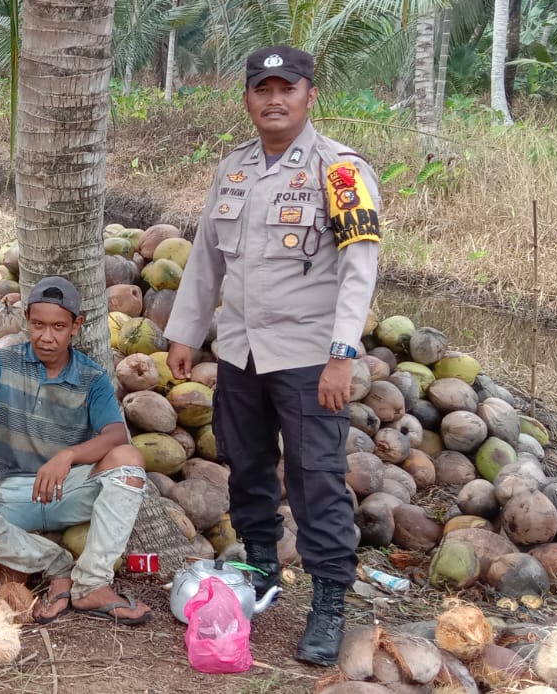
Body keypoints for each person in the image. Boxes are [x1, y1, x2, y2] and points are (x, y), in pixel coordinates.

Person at [163, 46, 381, 666]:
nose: (274, 99)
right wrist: (186, 332)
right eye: (263, 89)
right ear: (248, 99)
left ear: (311, 95)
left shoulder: (339, 171)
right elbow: (206, 256)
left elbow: (359, 270)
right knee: (247, 464)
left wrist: (343, 354)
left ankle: (331, 601)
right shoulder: (233, 170)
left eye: (288, 88)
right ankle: (262, 568)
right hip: (240, 351)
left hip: (310, 355)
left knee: (315, 479)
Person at [0, 277, 151, 624]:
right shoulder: (3, 364)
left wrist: (67, 457)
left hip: (70, 490)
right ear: (26, 321)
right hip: (16, 494)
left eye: (58, 327)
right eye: (38, 325)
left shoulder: (91, 378)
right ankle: (57, 565)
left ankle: (92, 584)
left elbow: (115, 436)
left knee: (129, 459)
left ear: (76, 327)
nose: (46, 337)